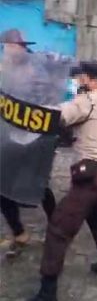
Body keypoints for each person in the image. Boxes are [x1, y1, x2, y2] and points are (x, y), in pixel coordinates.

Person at [30, 62, 97, 301]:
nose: (78, 81)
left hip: (92, 177)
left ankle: (47, 291)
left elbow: (57, 116)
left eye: (81, 77)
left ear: (91, 79)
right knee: (96, 219)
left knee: (58, 228)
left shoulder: (87, 102)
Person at [0, 30, 57, 258]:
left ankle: (56, 225)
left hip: (33, 138)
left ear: (22, 48)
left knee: (39, 185)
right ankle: (19, 232)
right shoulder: (4, 70)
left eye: (12, 46)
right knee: (2, 186)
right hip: (8, 139)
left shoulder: (37, 71)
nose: (8, 50)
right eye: (6, 46)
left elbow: (46, 100)